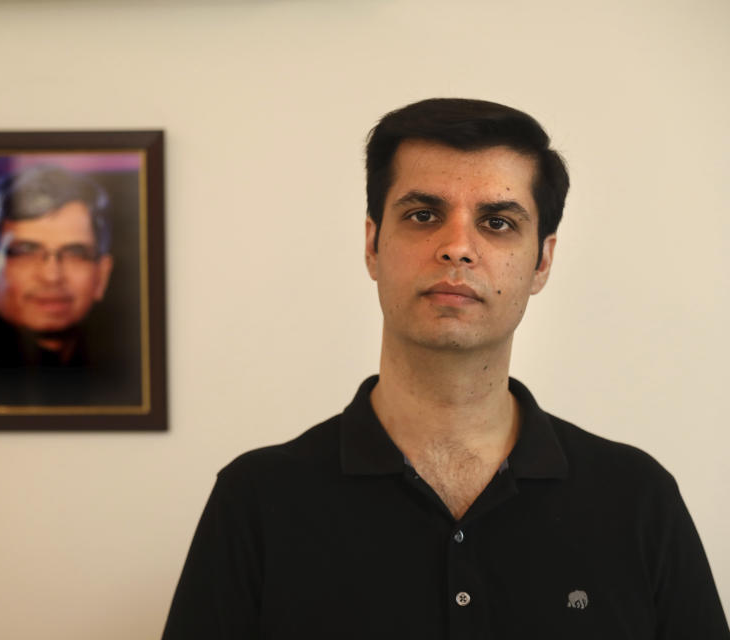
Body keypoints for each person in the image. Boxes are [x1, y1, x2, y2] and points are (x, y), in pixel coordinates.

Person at [162, 99, 730, 639]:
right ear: (372, 244)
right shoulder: (259, 501)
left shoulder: (635, 500)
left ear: (543, 261)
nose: (457, 247)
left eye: (498, 222)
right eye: (423, 214)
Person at [0, 165, 141, 406]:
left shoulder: (132, 371)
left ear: (101, 275)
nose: (52, 276)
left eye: (75, 253)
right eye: (26, 252)